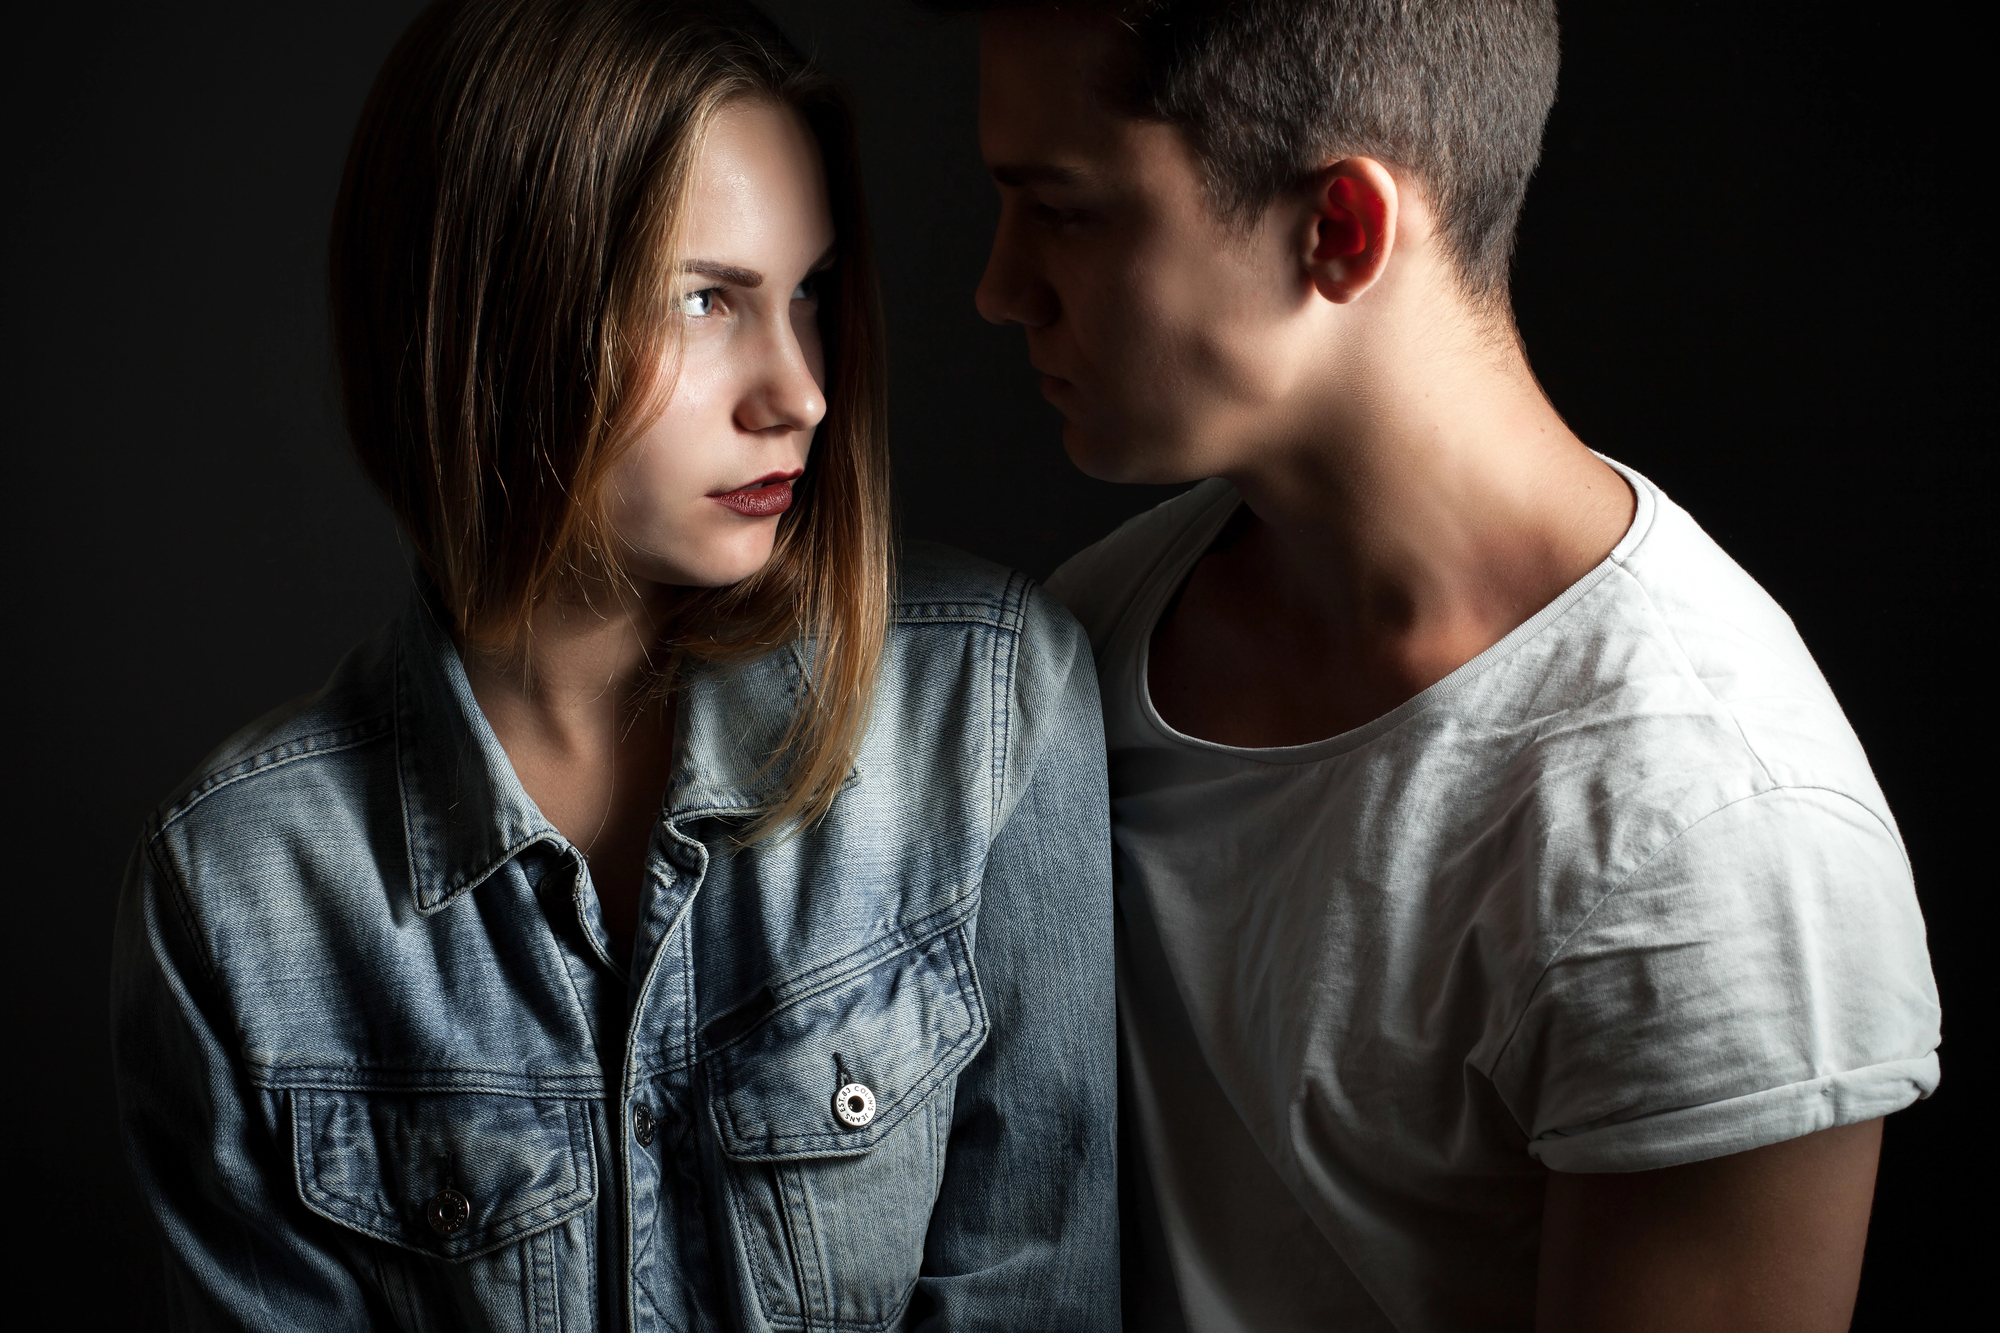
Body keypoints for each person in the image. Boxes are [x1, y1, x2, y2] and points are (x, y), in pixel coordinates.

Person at [109, 2, 1119, 1328]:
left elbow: (1036, 1289)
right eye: (708, 299)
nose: (799, 390)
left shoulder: (983, 713)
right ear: (488, 316)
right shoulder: (240, 898)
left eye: (809, 294)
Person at [938, 1, 1943, 1329]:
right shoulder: (1080, 644)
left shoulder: (1714, 841)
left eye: (1064, 210)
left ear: (1338, 232)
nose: (999, 288)